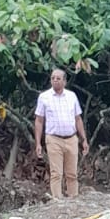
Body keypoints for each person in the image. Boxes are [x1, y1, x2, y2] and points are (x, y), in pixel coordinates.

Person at [33, 69, 88, 198]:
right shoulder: (44, 97)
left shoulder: (71, 96)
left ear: (64, 81)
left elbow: (78, 119)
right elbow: (39, 121)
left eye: (58, 78)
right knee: (56, 173)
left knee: (72, 174)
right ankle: (57, 201)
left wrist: (84, 139)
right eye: (53, 78)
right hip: (53, 139)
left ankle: (73, 199)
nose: (55, 80)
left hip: (71, 138)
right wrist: (38, 143)